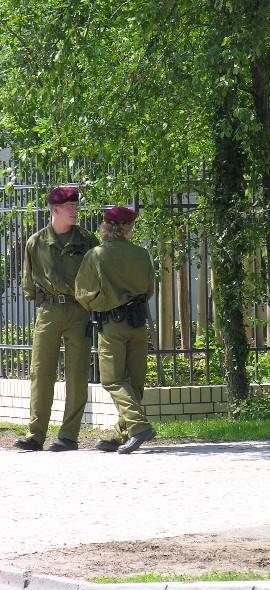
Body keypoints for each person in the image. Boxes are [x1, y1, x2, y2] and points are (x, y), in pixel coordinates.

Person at [14, 187, 99, 452]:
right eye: (70, 207)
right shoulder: (36, 242)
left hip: (78, 310)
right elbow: (28, 280)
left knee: (76, 372)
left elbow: (96, 275)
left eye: (76, 206)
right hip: (48, 311)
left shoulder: (87, 241)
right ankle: (35, 434)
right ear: (55, 210)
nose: (75, 211)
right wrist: (38, 299)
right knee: (41, 372)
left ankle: (69, 436)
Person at [75, 206, 156, 454]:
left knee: (112, 379)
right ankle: (124, 433)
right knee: (135, 381)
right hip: (138, 323)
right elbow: (149, 289)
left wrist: (106, 304)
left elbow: (83, 294)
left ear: (106, 228)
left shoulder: (96, 254)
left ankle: (138, 427)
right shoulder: (142, 255)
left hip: (113, 324)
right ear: (128, 229)